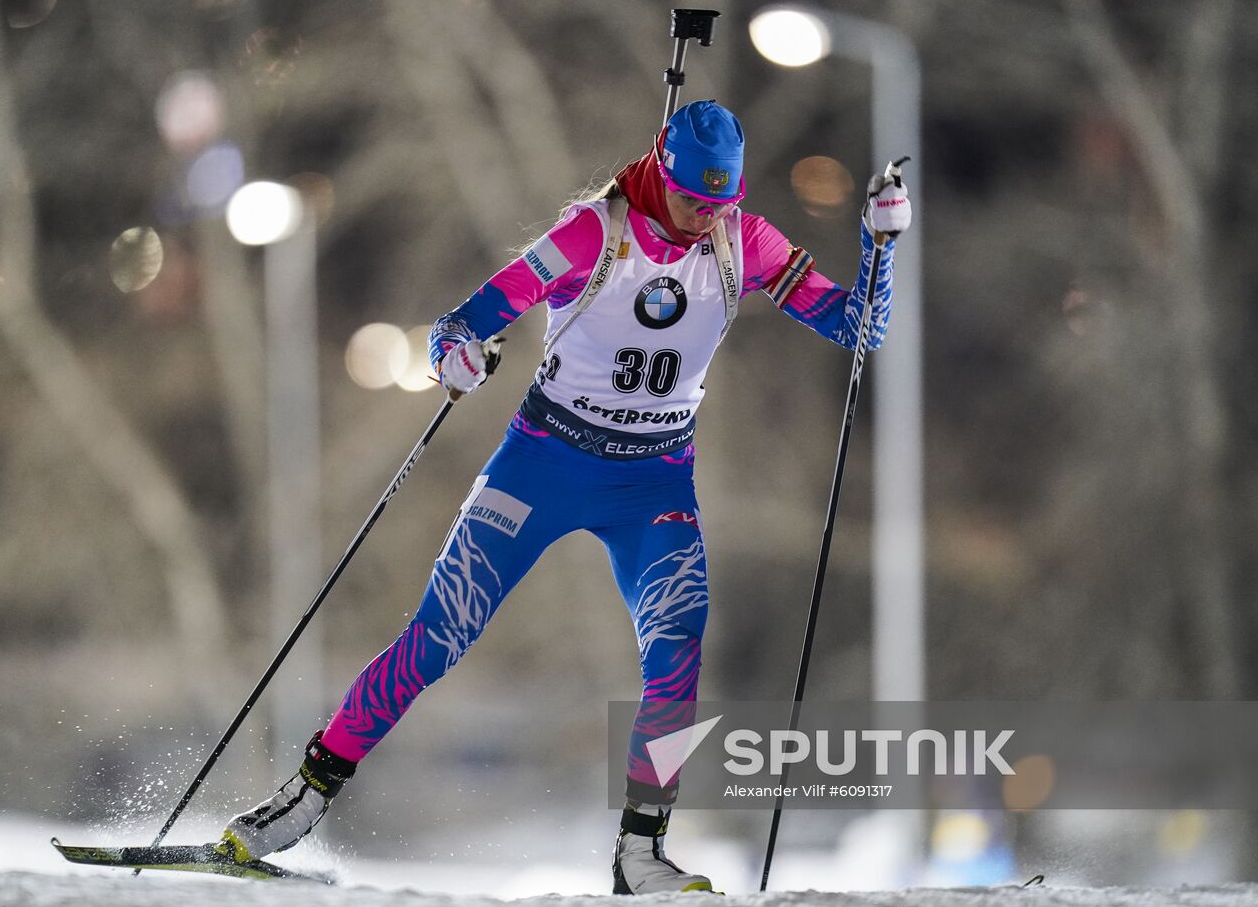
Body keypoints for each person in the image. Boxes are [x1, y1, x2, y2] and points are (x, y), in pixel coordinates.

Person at [215, 100, 912, 894]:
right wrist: (455, 357)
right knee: (440, 634)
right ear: (660, 176)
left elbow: (861, 329)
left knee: (677, 648)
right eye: (692, 203)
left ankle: (640, 851)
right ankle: (300, 801)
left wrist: (879, 242)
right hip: (541, 465)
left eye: (722, 205)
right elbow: (466, 321)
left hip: (652, 480)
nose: (703, 222)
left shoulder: (745, 242)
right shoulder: (592, 234)